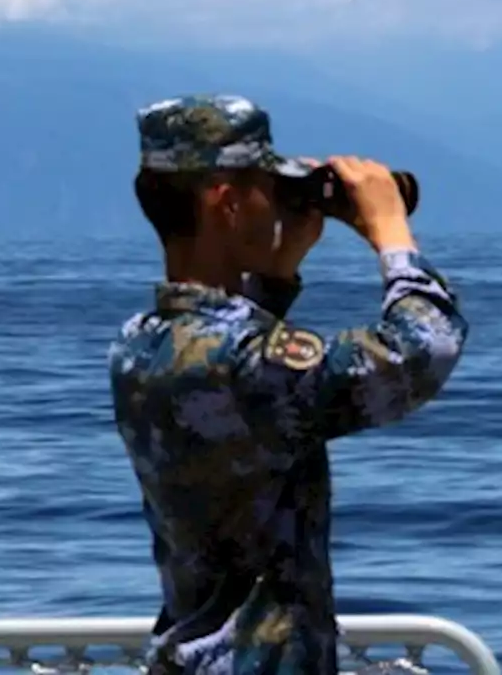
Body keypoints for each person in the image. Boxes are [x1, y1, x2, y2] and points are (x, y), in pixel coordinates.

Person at [109, 94, 469, 675]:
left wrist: (275, 276)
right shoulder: (247, 365)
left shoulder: (137, 343)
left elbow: (239, 392)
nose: (274, 205)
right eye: (264, 187)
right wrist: (391, 233)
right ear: (225, 203)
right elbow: (423, 350)